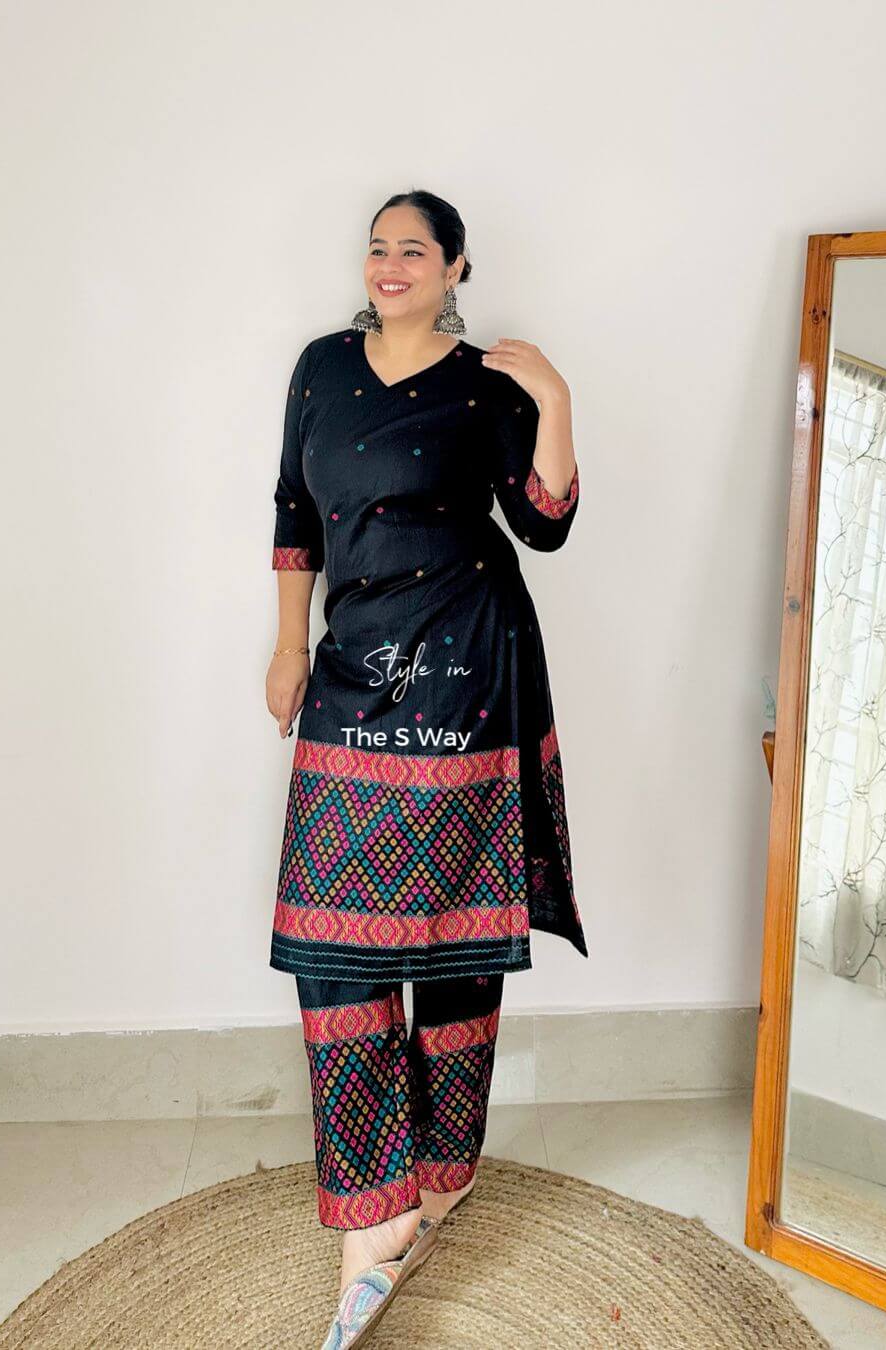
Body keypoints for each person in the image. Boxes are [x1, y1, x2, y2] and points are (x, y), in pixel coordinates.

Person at [265, 189, 586, 1348]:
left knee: (457, 930)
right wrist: (289, 646)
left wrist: (555, 399)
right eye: (379, 247)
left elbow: (542, 523)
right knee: (330, 936)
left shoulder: (489, 384)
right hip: (351, 669)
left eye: (416, 249)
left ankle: (437, 1180)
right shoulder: (320, 367)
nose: (391, 264)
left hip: (466, 669)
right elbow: (295, 513)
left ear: (456, 268)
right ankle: (374, 1193)